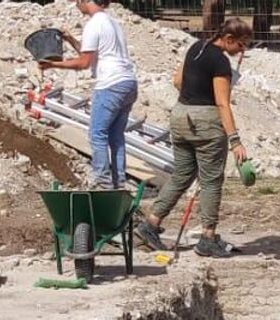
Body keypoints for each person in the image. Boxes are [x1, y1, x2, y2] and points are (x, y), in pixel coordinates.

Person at [134, 18, 254, 258]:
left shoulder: (196, 47)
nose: (242, 51)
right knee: (210, 181)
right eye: (240, 45)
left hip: (180, 116)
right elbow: (222, 102)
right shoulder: (220, 61)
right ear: (228, 39)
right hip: (206, 123)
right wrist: (235, 140)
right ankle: (208, 237)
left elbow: (177, 81)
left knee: (182, 174)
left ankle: (151, 224)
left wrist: (195, 93)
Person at [40, 0, 141, 190]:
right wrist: (70, 39)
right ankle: (119, 182)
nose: (77, 4)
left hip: (110, 84)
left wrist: (53, 64)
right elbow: (92, 54)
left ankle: (102, 182)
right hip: (128, 82)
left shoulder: (94, 24)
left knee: (97, 134)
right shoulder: (113, 23)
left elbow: (84, 63)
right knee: (116, 135)